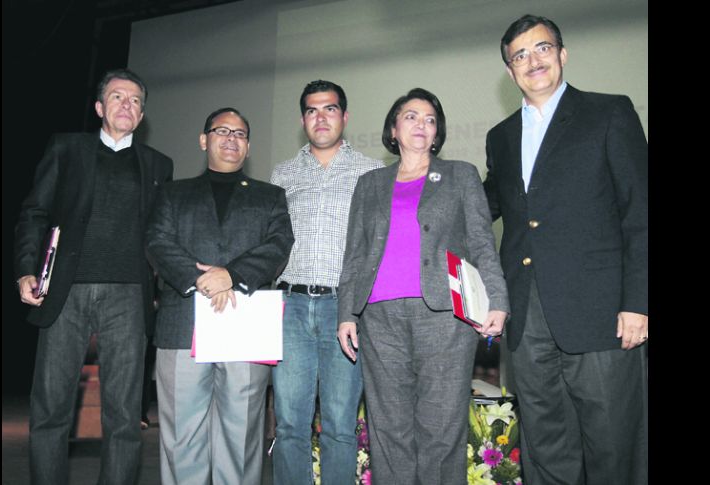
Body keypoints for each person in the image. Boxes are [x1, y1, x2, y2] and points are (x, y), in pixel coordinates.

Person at [483, 14, 648, 484]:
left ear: (562, 54)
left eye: (542, 49)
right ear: (510, 70)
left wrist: (638, 301)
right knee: (545, 442)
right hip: (527, 314)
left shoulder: (609, 112)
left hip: (601, 313)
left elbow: (641, 212)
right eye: (520, 55)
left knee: (613, 443)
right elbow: (487, 204)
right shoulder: (501, 136)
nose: (532, 60)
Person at [337, 88, 509, 485]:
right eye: (411, 116)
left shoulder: (460, 175)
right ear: (394, 129)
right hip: (379, 319)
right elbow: (355, 255)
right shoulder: (369, 183)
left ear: (437, 134)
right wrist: (345, 313)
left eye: (430, 119)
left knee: (442, 429)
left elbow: (483, 241)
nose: (421, 124)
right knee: (388, 430)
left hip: (445, 318)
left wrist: (497, 299)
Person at [13, 68, 174, 485]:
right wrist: (25, 270)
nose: (128, 105)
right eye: (119, 97)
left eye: (136, 100)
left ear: (142, 115)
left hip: (129, 297)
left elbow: (161, 234)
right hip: (66, 293)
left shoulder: (159, 165)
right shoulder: (67, 148)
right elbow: (34, 213)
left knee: (123, 415)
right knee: (50, 410)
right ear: (100, 107)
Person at [145, 107, 294, 485]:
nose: (231, 139)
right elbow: (157, 242)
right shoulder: (172, 193)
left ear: (248, 145)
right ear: (203, 139)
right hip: (183, 324)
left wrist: (233, 275)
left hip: (245, 326)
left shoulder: (270, 196)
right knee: (182, 437)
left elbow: (279, 245)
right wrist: (201, 281)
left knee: (241, 437)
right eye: (222, 131)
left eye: (240, 133)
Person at [269, 79, 384, 485]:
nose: (321, 117)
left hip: (346, 310)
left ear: (345, 116)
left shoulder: (371, 171)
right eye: (313, 110)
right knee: (289, 424)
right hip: (290, 308)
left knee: (338, 423)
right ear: (303, 120)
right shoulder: (281, 174)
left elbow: (378, 244)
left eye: (330, 109)